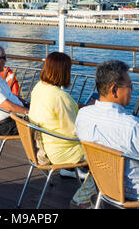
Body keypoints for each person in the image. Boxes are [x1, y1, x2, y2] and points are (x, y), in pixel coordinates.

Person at [75, 60, 139, 203]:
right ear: (114, 90)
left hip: (105, 185)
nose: (132, 90)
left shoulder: (83, 115)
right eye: (130, 86)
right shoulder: (131, 126)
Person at [28, 51, 96, 208]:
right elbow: (75, 131)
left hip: (44, 147)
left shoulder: (39, 87)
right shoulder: (60, 97)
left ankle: (88, 194)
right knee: (106, 158)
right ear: (64, 71)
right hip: (61, 152)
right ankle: (82, 199)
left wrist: (78, 108)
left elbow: (55, 116)